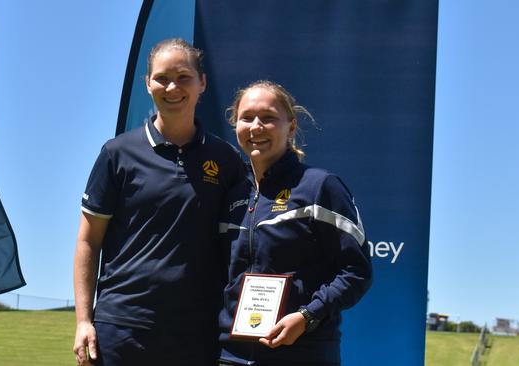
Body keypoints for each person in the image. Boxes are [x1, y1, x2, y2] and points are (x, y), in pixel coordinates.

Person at [73, 38, 245, 366]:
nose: (172, 87)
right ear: (147, 84)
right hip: (122, 327)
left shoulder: (226, 160)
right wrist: (83, 321)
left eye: (183, 77)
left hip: (198, 331)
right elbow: (88, 241)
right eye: (162, 78)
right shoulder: (117, 153)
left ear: (202, 83)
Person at [218, 81, 373, 366]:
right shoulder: (231, 194)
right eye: (247, 117)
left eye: (268, 118)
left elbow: (356, 271)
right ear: (235, 124)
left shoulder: (320, 187)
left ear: (290, 127)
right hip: (230, 356)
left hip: (304, 353)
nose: (256, 127)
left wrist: (307, 316)